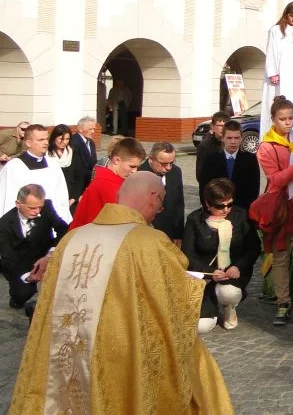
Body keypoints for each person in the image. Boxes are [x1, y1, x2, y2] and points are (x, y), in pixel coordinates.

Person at [8, 171, 233, 413]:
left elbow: (47, 304)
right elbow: (174, 300)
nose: (160, 209)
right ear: (152, 196)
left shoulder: (71, 240)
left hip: (65, 353)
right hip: (120, 352)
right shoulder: (150, 243)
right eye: (161, 201)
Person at [254, 95, 293, 325]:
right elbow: (275, 180)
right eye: (282, 119)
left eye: (290, 118)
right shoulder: (266, 146)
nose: (287, 122)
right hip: (279, 210)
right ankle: (283, 302)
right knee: (280, 258)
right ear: (273, 119)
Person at [182, 178, 262, 333]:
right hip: (206, 275)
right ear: (208, 204)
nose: (226, 210)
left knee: (228, 293)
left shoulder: (240, 216)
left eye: (229, 204)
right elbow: (187, 255)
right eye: (220, 206)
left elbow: (253, 247)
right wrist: (210, 272)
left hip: (232, 273)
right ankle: (211, 310)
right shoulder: (195, 219)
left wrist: (238, 266)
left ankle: (228, 309)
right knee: (201, 327)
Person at [0, 184, 68, 309]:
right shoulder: (4, 224)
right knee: (21, 294)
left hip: (46, 255)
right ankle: (17, 298)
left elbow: (63, 229)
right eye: (31, 208)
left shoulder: (47, 207)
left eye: (39, 207)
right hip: (22, 263)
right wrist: (28, 276)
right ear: (18, 204)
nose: (37, 211)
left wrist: (50, 254)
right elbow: (8, 258)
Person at [0, 124, 73, 225]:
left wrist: (65, 219)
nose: (46, 143)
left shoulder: (53, 164)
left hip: (54, 222)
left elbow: (61, 195)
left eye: (46, 139)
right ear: (28, 143)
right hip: (26, 226)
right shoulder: (14, 167)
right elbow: (7, 201)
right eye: (40, 140)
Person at [69, 137, 146, 229]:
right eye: (131, 166)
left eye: (137, 167)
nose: (134, 171)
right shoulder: (108, 186)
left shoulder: (109, 181)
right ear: (117, 160)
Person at [260, 2, 293, 136]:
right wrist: (273, 72)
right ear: (286, 14)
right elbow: (271, 51)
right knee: (278, 103)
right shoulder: (275, 30)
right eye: (292, 16)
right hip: (280, 74)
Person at [200, 120, 262, 214]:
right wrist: (210, 208)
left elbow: (254, 189)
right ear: (223, 138)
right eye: (229, 138)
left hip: (242, 211)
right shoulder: (211, 159)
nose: (233, 142)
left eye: (236, 138)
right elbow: (204, 187)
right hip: (216, 211)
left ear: (241, 138)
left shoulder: (250, 159)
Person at [140, 142, 185, 246]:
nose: (168, 168)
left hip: (169, 235)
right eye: (163, 164)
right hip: (147, 235)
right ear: (151, 159)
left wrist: (179, 234)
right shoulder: (139, 174)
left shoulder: (176, 172)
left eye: (172, 162)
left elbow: (179, 204)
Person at [45, 125, 80, 209]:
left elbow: (79, 176)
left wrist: (74, 197)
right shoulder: (46, 154)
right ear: (54, 138)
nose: (64, 142)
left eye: (67, 139)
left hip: (70, 198)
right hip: (52, 198)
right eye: (61, 139)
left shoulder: (73, 152)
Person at [196, 110, 228, 197]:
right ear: (212, 127)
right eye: (220, 126)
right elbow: (200, 174)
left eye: (225, 126)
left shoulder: (232, 144)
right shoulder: (205, 146)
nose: (223, 128)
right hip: (212, 193)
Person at [68, 117, 97, 209]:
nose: (93, 131)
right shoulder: (74, 142)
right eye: (90, 129)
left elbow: (93, 162)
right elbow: (77, 168)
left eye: (94, 129)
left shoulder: (91, 142)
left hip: (87, 184)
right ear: (80, 129)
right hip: (77, 187)